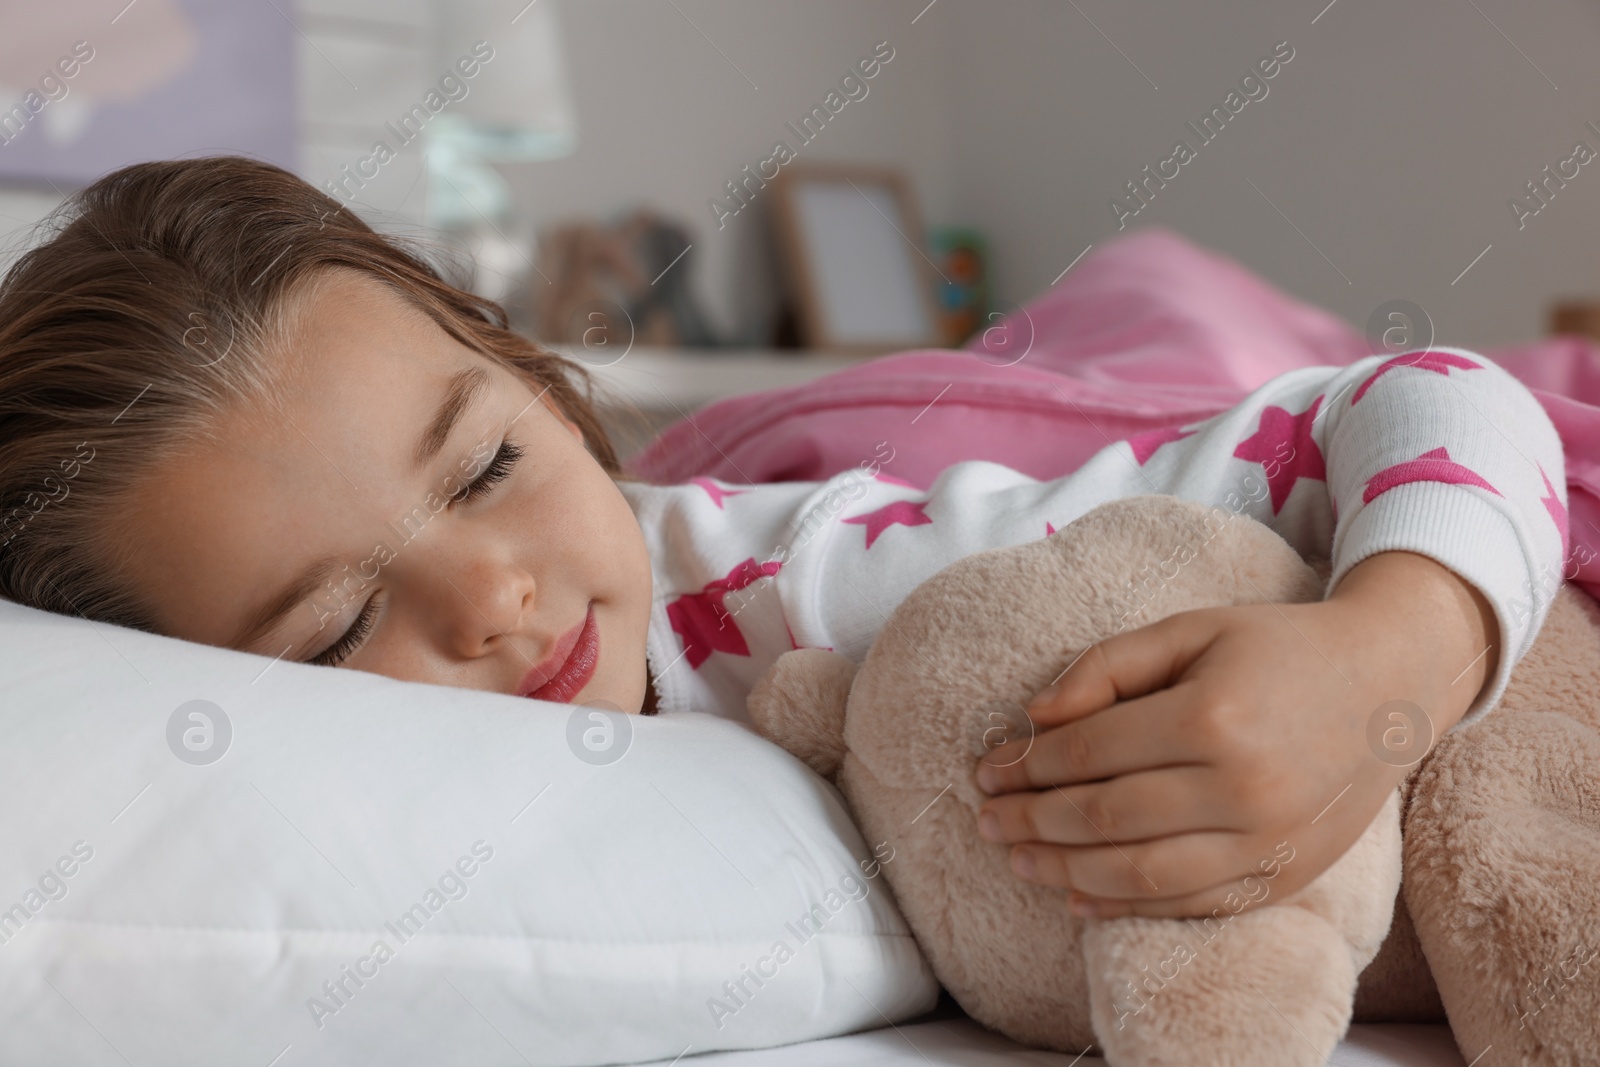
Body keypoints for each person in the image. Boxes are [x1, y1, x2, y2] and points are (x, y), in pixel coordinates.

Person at [0, 157, 1568, 925]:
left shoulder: (815, 587)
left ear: (543, 385)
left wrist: (1393, 656)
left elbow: (1424, 396)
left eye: (487, 467)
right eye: (339, 628)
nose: (495, 593)